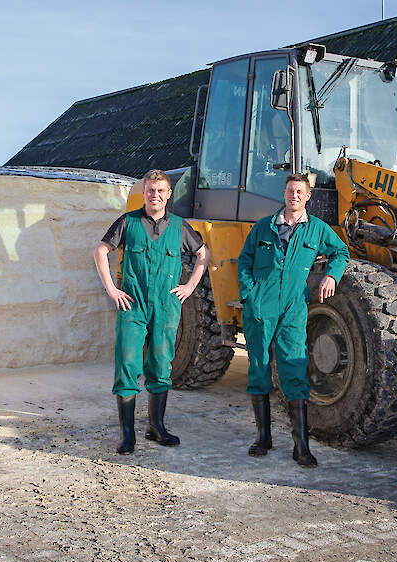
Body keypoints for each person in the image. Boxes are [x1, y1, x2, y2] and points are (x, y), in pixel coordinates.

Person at [93, 169, 210, 454]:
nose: (154, 195)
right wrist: (112, 289)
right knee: (128, 363)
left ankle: (156, 427)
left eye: (160, 191)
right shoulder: (128, 222)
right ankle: (128, 434)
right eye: (150, 191)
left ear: (168, 194)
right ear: (144, 193)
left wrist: (190, 287)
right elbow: (100, 250)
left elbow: (203, 255)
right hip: (132, 304)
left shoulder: (180, 227)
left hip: (166, 305)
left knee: (161, 364)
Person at [237, 173, 350, 467]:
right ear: (284, 194)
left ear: (308, 196)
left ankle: (301, 446)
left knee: (294, 366)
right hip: (260, 307)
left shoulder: (316, 230)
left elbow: (341, 252)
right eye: (290, 191)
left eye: (300, 191)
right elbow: (245, 261)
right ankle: (263, 437)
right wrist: (249, 294)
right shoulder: (264, 227)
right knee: (259, 367)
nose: (294, 196)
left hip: (293, 307)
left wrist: (331, 276)